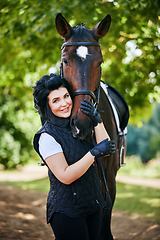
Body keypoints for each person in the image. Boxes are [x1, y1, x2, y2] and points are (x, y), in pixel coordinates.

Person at [33, 73, 116, 240]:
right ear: (47, 106)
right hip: (67, 213)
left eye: (66, 96)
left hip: (92, 207)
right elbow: (65, 176)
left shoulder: (77, 125)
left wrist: (96, 120)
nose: (64, 104)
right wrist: (93, 153)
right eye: (56, 100)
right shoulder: (46, 137)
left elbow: (105, 147)